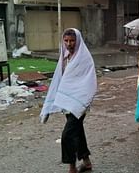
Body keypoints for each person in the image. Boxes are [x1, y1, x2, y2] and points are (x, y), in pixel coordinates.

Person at [40, 28, 97, 173]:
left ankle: (72, 167)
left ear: (77, 41)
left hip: (79, 103)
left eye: (72, 41)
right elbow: (60, 78)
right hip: (67, 102)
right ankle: (87, 162)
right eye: (66, 41)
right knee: (77, 131)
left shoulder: (84, 58)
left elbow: (89, 81)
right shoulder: (65, 58)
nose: (69, 44)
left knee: (67, 135)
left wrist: (83, 100)